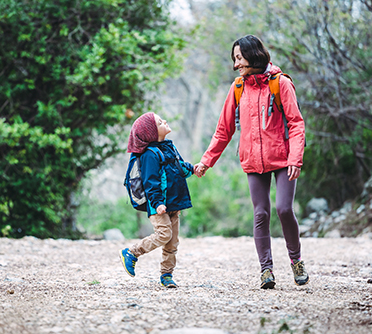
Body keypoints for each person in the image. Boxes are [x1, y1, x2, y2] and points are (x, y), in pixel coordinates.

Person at [194, 35, 309, 289]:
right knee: (260, 213)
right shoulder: (238, 88)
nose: (236, 65)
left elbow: (296, 123)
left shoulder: (281, 84)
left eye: (239, 58)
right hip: (253, 161)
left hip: (282, 159)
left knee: (284, 209)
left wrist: (295, 158)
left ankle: (296, 261)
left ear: (252, 55)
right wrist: (206, 161)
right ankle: (266, 270)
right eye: (234, 59)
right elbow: (223, 131)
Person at [120, 112, 194, 288]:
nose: (165, 121)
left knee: (172, 241)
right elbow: (150, 182)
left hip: (175, 202)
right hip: (158, 205)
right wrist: (158, 202)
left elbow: (179, 167)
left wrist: (193, 169)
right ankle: (131, 252)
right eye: (160, 122)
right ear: (152, 133)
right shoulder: (150, 155)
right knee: (164, 234)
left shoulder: (169, 147)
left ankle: (166, 275)